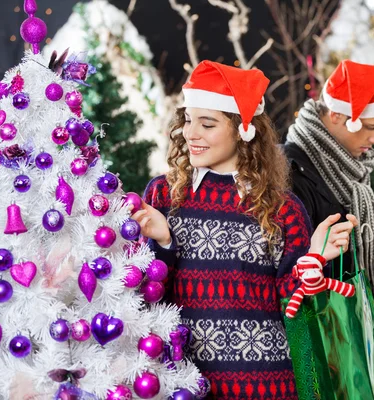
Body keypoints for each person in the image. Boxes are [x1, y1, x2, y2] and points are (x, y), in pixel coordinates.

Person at [132, 60, 357, 400]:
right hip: (180, 383)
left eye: (207, 124)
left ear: (243, 129)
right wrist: (163, 243)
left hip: (266, 387)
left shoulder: (283, 209)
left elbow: (297, 312)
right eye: (188, 121)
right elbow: (140, 299)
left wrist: (314, 258)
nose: (191, 134)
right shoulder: (163, 196)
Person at [285, 59, 374, 297]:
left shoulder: (350, 168)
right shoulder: (288, 172)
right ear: (337, 115)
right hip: (312, 323)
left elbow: (352, 254)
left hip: (345, 321)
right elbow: (284, 272)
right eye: (371, 127)